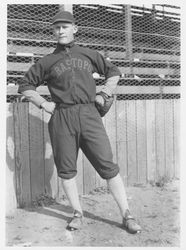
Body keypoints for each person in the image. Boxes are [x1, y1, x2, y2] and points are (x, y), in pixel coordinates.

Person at [18, 10, 141, 234]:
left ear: (75, 29)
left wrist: (104, 92)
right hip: (62, 117)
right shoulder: (47, 61)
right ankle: (77, 213)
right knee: (66, 170)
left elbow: (113, 71)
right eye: (56, 27)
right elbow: (25, 85)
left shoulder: (88, 54)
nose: (60, 30)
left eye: (64, 26)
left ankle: (127, 214)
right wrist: (43, 104)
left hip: (89, 114)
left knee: (108, 166)